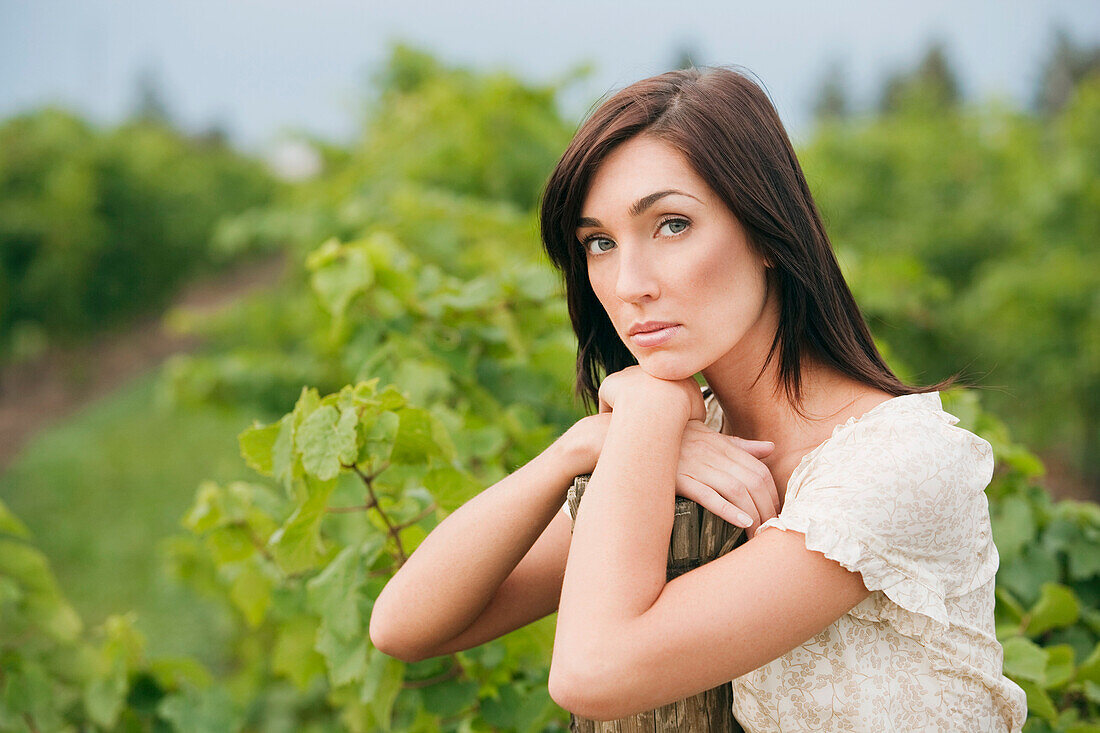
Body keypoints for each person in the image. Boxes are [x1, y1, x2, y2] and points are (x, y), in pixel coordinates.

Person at [368, 66, 1028, 731]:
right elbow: (404, 624)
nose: (629, 283)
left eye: (672, 224)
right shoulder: (684, 444)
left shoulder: (898, 461)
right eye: (600, 242)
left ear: (768, 233)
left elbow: (591, 671)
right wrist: (582, 444)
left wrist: (647, 408)